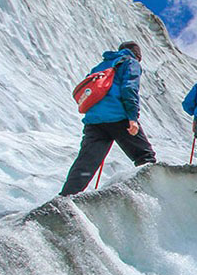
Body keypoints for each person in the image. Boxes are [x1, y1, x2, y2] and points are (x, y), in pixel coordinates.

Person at [59, 41, 156, 196]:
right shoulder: (131, 63)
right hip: (118, 117)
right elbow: (129, 88)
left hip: (94, 121)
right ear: (137, 55)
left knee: (86, 163)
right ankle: (151, 195)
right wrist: (132, 118)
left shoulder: (101, 66)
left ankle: (65, 198)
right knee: (145, 156)